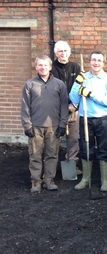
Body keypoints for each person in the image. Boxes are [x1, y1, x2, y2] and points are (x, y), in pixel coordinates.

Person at [69, 51, 107, 192]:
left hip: (104, 119)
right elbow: (74, 99)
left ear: (103, 63)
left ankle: (105, 181)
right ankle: (85, 179)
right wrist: (78, 83)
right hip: (86, 117)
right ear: (89, 61)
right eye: (94, 60)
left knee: (104, 148)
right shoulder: (84, 78)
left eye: (99, 61)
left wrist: (91, 94)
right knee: (85, 147)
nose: (96, 63)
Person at [21, 55, 68, 193]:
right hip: (35, 126)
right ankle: (36, 181)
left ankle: (49, 180)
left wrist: (62, 124)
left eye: (45, 65)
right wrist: (27, 125)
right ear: (36, 67)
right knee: (35, 155)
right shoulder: (29, 84)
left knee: (52, 154)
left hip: (53, 126)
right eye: (40, 65)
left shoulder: (59, 84)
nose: (43, 68)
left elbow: (64, 106)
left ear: (50, 67)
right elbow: (25, 106)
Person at [51, 41, 82, 175]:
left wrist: (74, 105)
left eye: (65, 51)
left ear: (69, 52)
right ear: (56, 53)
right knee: (54, 139)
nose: (63, 54)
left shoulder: (75, 67)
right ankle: (51, 166)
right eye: (60, 51)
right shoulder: (51, 68)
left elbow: (81, 87)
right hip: (56, 111)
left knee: (74, 138)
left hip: (73, 109)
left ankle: (72, 163)